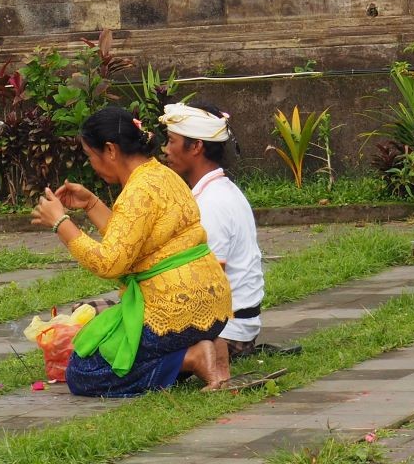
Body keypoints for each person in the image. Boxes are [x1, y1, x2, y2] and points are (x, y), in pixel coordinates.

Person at [32, 106, 233, 396]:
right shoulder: (163, 175)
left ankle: (192, 358)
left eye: (91, 156)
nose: (92, 164)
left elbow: (110, 263)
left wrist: (61, 223)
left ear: (110, 150)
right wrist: (91, 205)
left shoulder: (137, 191)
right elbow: (131, 241)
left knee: (83, 371)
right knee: (110, 346)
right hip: (213, 303)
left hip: (175, 309)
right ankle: (209, 346)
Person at [160, 101, 267, 366]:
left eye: (172, 141)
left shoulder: (212, 203)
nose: (166, 150)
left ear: (196, 146)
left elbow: (206, 281)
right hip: (229, 323)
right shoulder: (216, 191)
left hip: (226, 332)